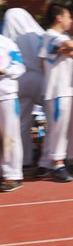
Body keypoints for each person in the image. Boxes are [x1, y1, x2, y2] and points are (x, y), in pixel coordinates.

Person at [38, 4, 73, 182]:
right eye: (68, 17)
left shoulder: (62, 37)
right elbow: (68, 45)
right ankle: (57, 164)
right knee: (58, 129)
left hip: (72, 88)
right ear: (59, 18)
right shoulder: (50, 35)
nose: (71, 20)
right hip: (58, 91)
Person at [2, 8, 45, 170]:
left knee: (21, 123)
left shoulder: (7, 39)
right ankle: (50, 157)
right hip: (40, 79)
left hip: (18, 81)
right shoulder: (37, 34)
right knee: (53, 119)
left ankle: (24, 159)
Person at [0, 30, 25, 192]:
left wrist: (4, 71)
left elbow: (20, 66)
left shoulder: (7, 43)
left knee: (10, 136)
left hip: (6, 95)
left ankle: (12, 175)